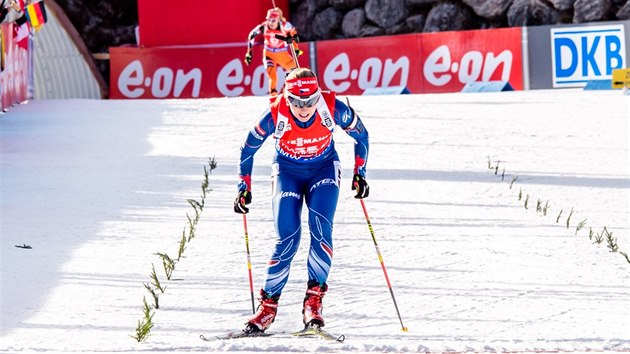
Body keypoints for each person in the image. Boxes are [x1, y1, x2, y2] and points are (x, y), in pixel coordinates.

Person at [234, 67, 370, 334]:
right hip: (288, 172)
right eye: (296, 101)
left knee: (321, 232)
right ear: (287, 97)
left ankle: (314, 302)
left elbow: (361, 135)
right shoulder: (275, 113)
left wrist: (360, 172)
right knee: (288, 238)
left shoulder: (333, 108)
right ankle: (267, 308)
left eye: (309, 101)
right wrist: (243, 186)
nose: (304, 108)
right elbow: (247, 148)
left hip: (323, 170)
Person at [244, 7, 303, 96]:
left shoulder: (285, 26)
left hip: (282, 54)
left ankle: (293, 92)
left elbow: (294, 34)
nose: (271, 23)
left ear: (278, 20)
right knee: (272, 76)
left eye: (273, 20)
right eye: (269, 20)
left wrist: (296, 48)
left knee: (295, 71)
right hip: (269, 54)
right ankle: (273, 96)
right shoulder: (263, 27)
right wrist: (249, 53)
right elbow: (251, 35)